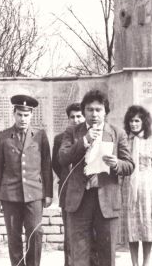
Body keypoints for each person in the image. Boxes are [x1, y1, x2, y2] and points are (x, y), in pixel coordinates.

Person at [58, 89, 134, 266]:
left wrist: (116, 163)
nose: (94, 114)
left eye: (98, 110)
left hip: (106, 200)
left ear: (105, 112)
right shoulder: (73, 132)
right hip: (79, 201)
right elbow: (63, 158)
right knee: (79, 254)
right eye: (90, 110)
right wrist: (83, 141)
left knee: (107, 255)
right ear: (84, 111)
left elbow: (129, 165)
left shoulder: (117, 133)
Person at [0, 94, 53, 266]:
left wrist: (48, 194)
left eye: (26, 115)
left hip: (34, 194)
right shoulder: (3, 136)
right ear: (14, 114)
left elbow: (46, 166)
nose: (23, 118)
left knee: (35, 234)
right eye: (19, 114)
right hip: (10, 195)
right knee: (14, 237)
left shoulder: (40, 136)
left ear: (31, 115)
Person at [52, 103, 98, 266]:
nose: (76, 119)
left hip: (88, 194)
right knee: (70, 236)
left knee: (91, 236)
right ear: (68, 119)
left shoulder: (92, 135)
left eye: (79, 116)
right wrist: (68, 180)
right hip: (68, 194)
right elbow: (56, 164)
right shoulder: (60, 139)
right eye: (72, 117)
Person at [120, 105, 152, 266]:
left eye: (137, 120)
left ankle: (146, 263)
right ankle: (134, 263)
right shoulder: (124, 139)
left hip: (147, 187)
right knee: (131, 227)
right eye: (131, 121)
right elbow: (120, 166)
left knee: (146, 227)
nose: (134, 124)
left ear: (143, 122)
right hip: (128, 186)